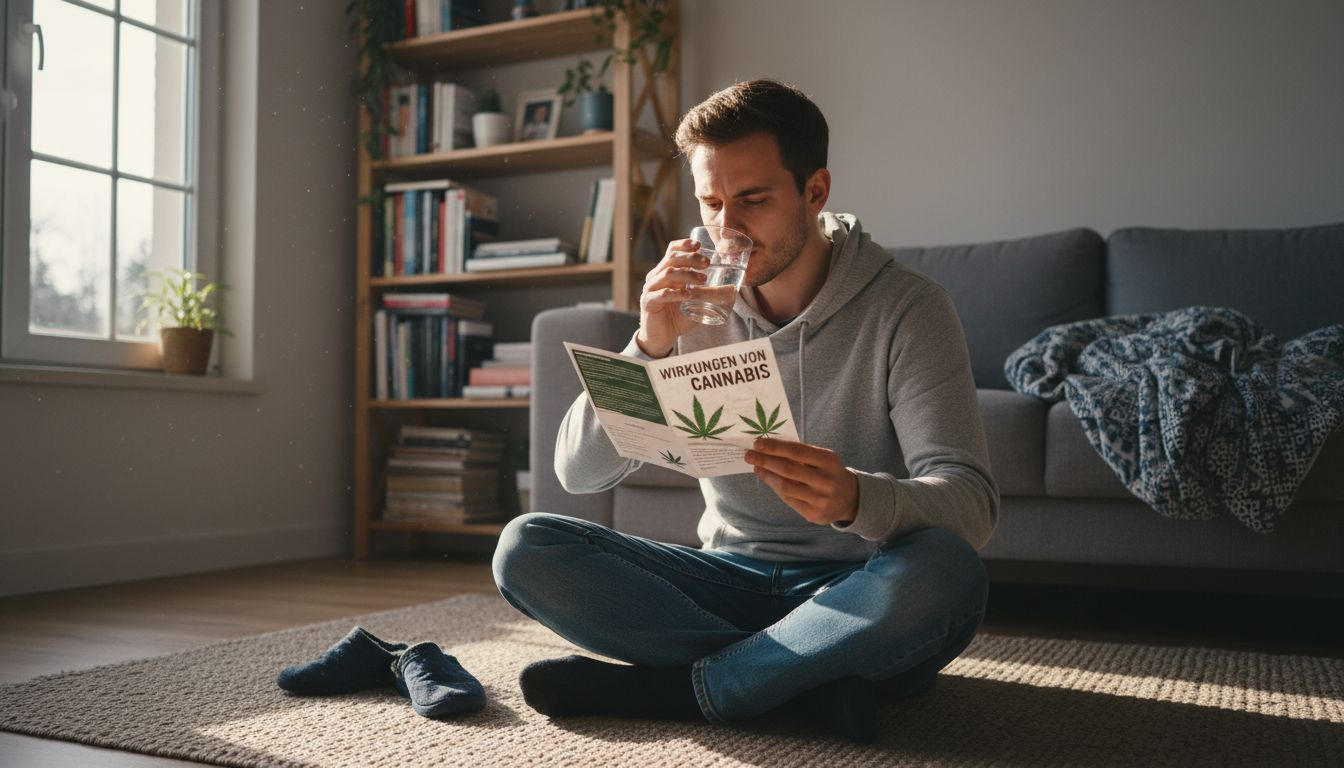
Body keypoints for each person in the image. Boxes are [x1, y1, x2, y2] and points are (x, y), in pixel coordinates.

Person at [492, 79, 998, 742]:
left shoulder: (908, 309)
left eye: (753, 200)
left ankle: (692, 687)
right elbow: (580, 475)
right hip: (727, 576)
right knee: (526, 547)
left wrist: (855, 498)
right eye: (711, 203)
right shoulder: (692, 309)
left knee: (949, 571)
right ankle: (796, 680)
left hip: (857, 583)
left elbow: (970, 503)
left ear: (814, 192)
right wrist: (648, 344)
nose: (726, 230)